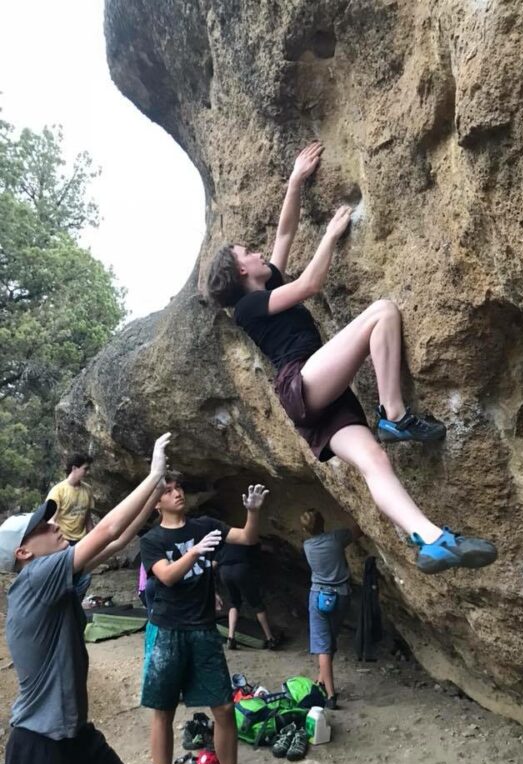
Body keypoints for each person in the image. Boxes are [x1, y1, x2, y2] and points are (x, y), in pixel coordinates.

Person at [205, 142, 497, 575]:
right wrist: (329, 236)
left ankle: (432, 539)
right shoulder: (246, 309)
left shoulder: (264, 290)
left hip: (319, 397)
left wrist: (295, 181)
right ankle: (395, 415)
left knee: (374, 461)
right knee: (382, 312)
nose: (256, 251)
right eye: (247, 251)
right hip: (302, 381)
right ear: (242, 271)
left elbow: (283, 234)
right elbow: (308, 286)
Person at [0, 433, 171, 764]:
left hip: (75, 735)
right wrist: (154, 474)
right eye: (44, 527)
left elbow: (117, 540)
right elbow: (107, 528)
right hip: (40, 747)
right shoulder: (34, 579)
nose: (56, 525)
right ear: (24, 552)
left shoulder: (51, 578)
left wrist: (155, 494)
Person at [139, 473, 269, 764]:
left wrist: (253, 512)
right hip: (168, 631)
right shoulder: (152, 540)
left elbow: (247, 538)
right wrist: (195, 552)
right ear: (156, 503)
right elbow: (167, 576)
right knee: (163, 711)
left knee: (224, 708)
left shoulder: (205, 524)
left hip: (203, 631)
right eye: (167, 491)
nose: (176, 493)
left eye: (178, 487)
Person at [301, 508, 360, 709]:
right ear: (323, 522)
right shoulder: (336, 539)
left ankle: (330, 694)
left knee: (323, 646)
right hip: (340, 595)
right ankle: (320, 682)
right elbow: (357, 531)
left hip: (318, 595)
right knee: (330, 641)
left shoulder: (307, 545)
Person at [47, 453, 95, 599]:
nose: (87, 472)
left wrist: (94, 538)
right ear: (74, 468)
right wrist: (56, 543)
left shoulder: (87, 490)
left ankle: (74, 606)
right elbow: (51, 520)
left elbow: (87, 517)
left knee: (84, 577)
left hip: (80, 541)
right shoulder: (58, 490)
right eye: (85, 469)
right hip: (63, 542)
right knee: (67, 577)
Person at [215, 538, 277, 650]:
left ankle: (231, 637)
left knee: (234, 603)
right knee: (257, 604)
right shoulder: (246, 539)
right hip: (241, 569)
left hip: (224, 572)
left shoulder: (223, 544)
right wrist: (273, 549)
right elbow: (263, 548)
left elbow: (214, 563)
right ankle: (270, 638)